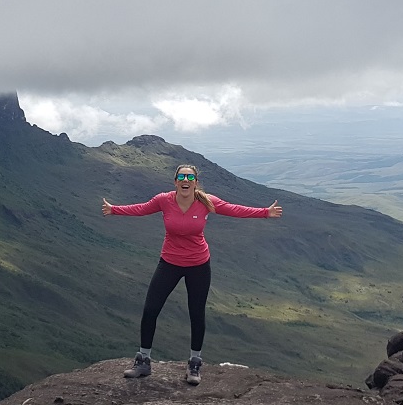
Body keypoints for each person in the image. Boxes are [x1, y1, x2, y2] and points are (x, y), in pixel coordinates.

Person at [101, 164, 283, 385]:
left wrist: (265, 212)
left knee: (196, 314)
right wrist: (114, 209)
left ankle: (194, 363)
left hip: (198, 264)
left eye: (189, 177)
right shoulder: (164, 200)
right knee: (150, 310)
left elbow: (235, 209)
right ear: (175, 181)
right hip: (169, 262)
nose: (185, 180)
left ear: (196, 182)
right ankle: (143, 361)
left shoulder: (206, 201)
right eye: (181, 176)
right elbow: (142, 208)